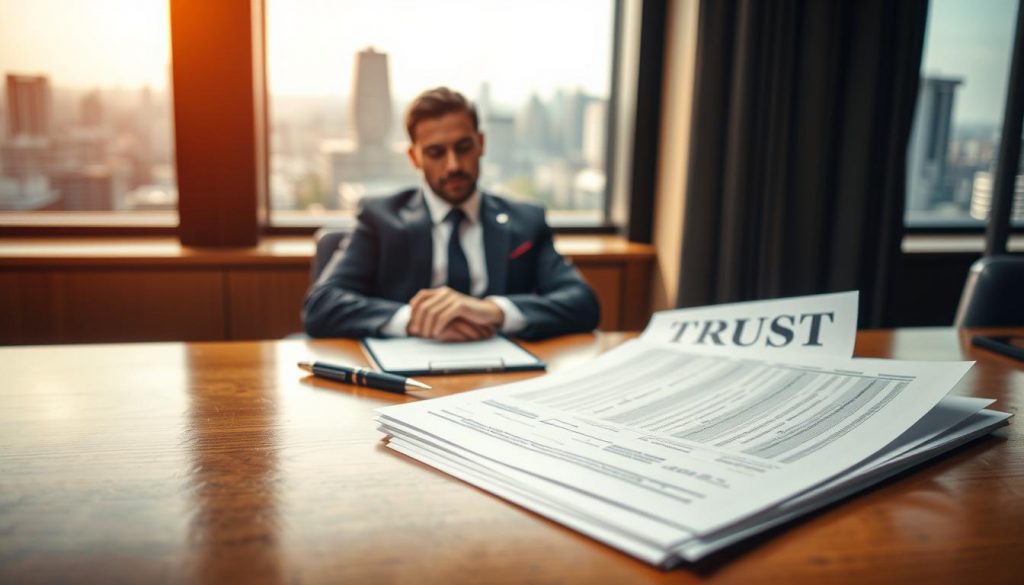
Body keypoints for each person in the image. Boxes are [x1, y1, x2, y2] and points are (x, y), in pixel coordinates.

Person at [303, 87, 600, 342]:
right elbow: (321, 306)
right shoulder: (379, 218)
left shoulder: (526, 221)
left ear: (481, 144)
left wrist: (495, 311)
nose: (453, 165)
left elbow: (583, 303)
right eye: (435, 153)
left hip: (503, 377)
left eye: (463, 147)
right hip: (405, 377)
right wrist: (416, 320)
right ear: (414, 157)